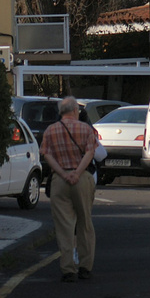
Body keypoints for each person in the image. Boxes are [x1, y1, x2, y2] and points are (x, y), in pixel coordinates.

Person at [41, 95, 98, 282]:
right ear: (75, 110)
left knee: (64, 226)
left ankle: (68, 269)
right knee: (85, 223)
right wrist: (77, 172)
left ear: (60, 112)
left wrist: (63, 173)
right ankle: (85, 267)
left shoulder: (51, 130)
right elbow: (91, 152)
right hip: (82, 179)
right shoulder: (86, 128)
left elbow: (46, 154)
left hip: (60, 180)